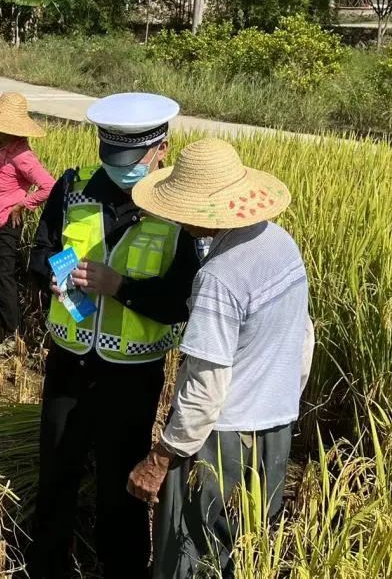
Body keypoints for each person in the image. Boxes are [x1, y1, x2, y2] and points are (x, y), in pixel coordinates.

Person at [26, 92, 202, 579]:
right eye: (111, 157)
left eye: (130, 160)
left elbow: (179, 301)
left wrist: (118, 286)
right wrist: (53, 272)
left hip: (132, 374)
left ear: (160, 148)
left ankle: (122, 569)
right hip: (69, 364)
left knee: (119, 483)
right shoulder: (72, 188)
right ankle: (47, 567)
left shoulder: (178, 212)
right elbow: (40, 251)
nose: (118, 169)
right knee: (57, 473)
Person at [126, 137, 314, 579]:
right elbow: (303, 339)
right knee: (246, 552)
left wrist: (161, 457)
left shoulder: (219, 276)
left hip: (219, 444)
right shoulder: (281, 244)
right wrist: (276, 403)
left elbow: (205, 388)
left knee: (191, 556)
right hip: (276, 430)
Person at [0, 92, 55, 354]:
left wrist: (23, 204)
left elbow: (49, 185)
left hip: (3, 223)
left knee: (1, 278)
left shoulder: (22, 154)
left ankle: (11, 334)